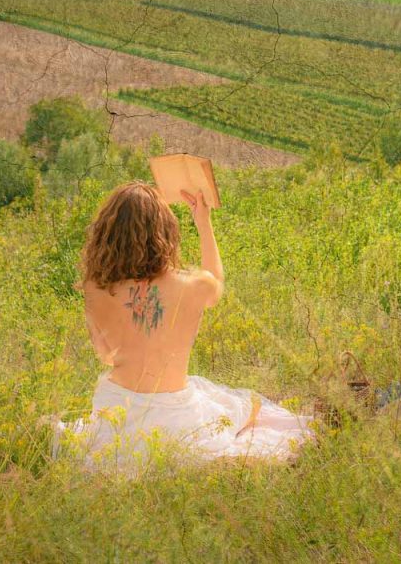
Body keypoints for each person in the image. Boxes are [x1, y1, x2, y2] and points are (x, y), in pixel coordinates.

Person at [50, 181, 315, 474]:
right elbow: (215, 281)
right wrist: (203, 222)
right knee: (242, 406)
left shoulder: (96, 288)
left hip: (118, 410)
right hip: (175, 413)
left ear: (107, 234)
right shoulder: (192, 285)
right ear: (165, 232)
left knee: (221, 402)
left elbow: (105, 355)